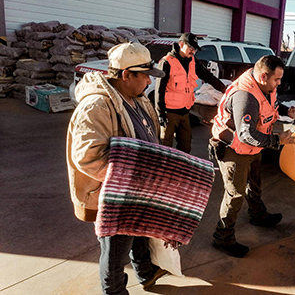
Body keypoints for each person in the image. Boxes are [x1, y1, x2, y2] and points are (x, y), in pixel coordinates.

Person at [66, 42, 168, 294]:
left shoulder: (137, 99)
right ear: (125, 75)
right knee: (115, 253)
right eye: (145, 76)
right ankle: (114, 291)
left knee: (139, 234)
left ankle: (145, 272)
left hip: (136, 190)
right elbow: (88, 157)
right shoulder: (97, 106)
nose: (148, 82)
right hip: (114, 196)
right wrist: (130, 181)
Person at [210, 55, 295, 258]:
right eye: (276, 80)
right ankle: (222, 237)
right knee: (235, 194)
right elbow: (246, 134)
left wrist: (289, 111)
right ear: (263, 76)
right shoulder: (245, 96)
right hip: (235, 149)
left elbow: (272, 103)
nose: (279, 83)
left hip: (253, 148)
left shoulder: (264, 86)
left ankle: (258, 215)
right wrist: (278, 140)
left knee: (255, 183)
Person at [155, 32, 226, 153]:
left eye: (195, 49)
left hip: (185, 113)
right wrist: (160, 113)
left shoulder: (193, 61)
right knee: (165, 148)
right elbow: (159, 89)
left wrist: (225, 89)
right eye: (191, 48)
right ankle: (164, 170)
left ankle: (180, 169)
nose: (193, 51)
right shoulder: (167, 62)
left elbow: (207, 76)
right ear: (181, 44)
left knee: (185, 146)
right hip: (169, 114)